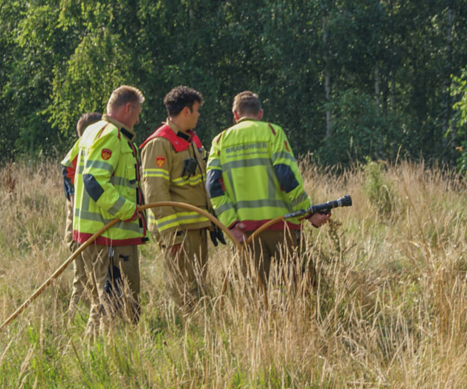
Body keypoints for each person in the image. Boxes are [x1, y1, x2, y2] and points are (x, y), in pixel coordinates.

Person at [206, 91, 329, 288]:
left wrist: (231, 225)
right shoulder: (273, 133)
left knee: (254, 296)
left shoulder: (219, 141)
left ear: (235, 115)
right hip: (283, 226)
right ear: (260, 114)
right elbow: (285, 176)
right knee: (300, 291)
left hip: (245, 233)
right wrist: (308, 213)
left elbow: (213, 186)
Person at [72, 86, 147, 334]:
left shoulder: (92, 131)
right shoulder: (110, 135)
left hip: (101, 235)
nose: (138, 119)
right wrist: (127, 209)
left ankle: (111, 354)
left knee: (106, 305)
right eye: (137, 112)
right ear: (128, 108)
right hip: (107, 237)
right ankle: (98, 357)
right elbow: (94, 181)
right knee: (108, 306)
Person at [140, 86, 223, 308]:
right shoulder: (159, 144)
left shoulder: (191, 141)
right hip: (180, 231)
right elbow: (155, 194)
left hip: (197, 225)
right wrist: (172, 236)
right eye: (196, 111)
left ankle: (201, 327)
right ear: (185, 112)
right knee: (183, 290)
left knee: (198, 285)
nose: (198, 115)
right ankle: (188, 330)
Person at [60, 111, 103, 311]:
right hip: (80, 230)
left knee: (92, 277)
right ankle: (73, 318)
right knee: (82, 277)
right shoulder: (77, 155)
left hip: (92, 229)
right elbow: (75, 198)